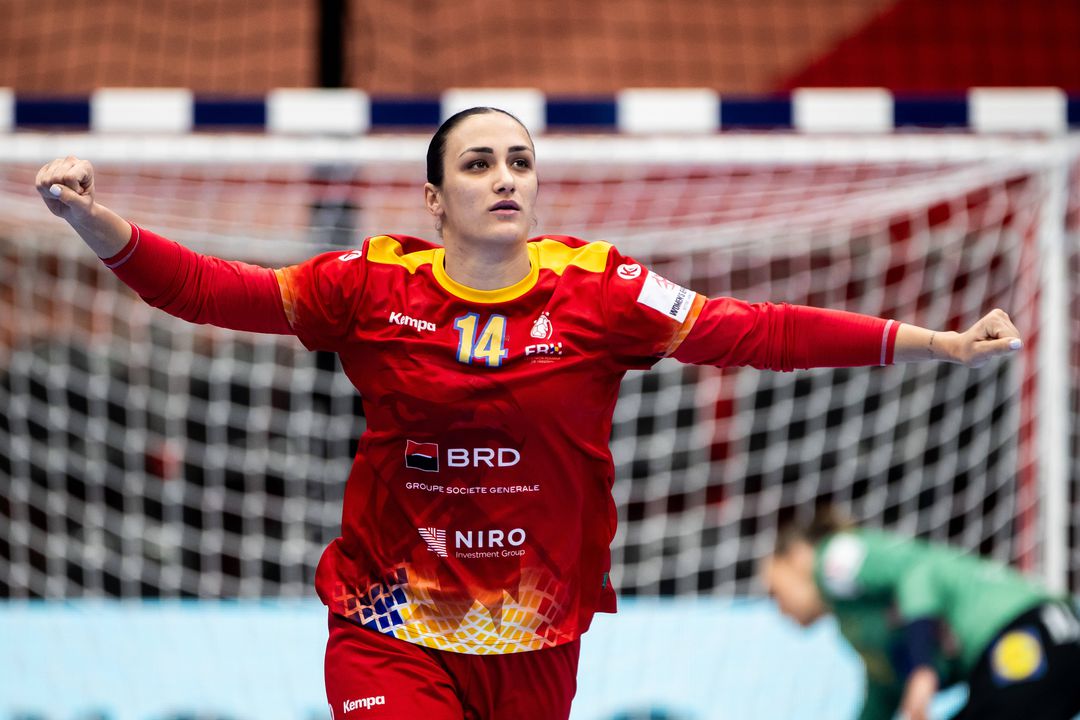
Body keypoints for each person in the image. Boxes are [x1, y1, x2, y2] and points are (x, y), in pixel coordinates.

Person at [36, 107, 1025, 720]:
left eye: (519, 161)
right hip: (389, 626)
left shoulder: (602, 290)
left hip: (536, 640)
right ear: (434, 199)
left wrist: (932, 342)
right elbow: (214, 292)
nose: (505, 177)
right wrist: (91, 218)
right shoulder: (370, 285)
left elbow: (755, 331)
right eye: (478, 164)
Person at [762, 511, 1080, 720]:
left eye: (774, 592)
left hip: (1030, 635)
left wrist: (922, 666)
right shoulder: (852, 621)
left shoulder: (833, 559)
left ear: (797, 557)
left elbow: (917, 571)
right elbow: (885, 688)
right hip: (1048, 642)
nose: (778, 609)